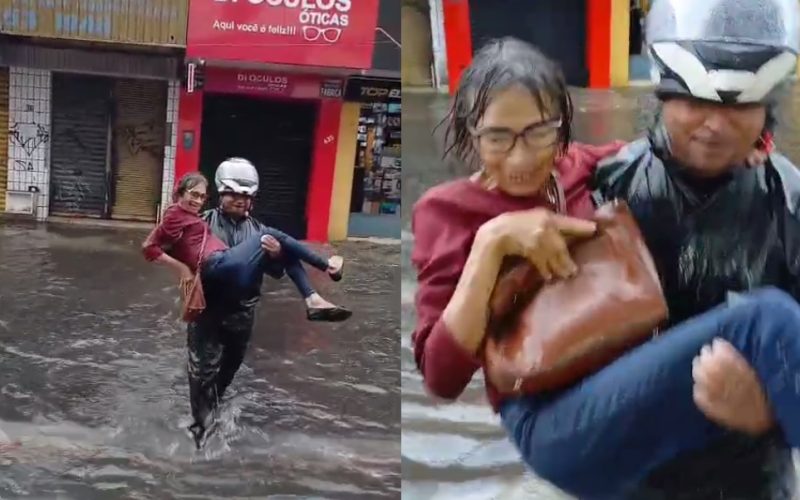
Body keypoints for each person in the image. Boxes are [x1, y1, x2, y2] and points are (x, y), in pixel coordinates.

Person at [409, 2, 800, 495]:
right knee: (766, 320)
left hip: (723, 471)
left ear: (563, 128)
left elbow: (679, 139)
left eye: (539, 132)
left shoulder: (591, 172)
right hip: (586, 443)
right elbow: (442, 376)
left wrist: (765, 414)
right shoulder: (458, 210)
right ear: (470, 134)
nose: (522, 156)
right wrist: (493, 242)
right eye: (498, 138)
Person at [143, 170, 349, 446]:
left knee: (228, 370)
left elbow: (277, 271)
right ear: (221, 196)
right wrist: (180, 268)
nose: (240, 200)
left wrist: (276, 255)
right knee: (202, 373)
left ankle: (210, 413)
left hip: (242, 311)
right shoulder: (201, 221)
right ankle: (199, 428)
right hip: (209, 311)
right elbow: (164, 247)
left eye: (246, 196)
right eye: (234, 194)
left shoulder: (257, 230)